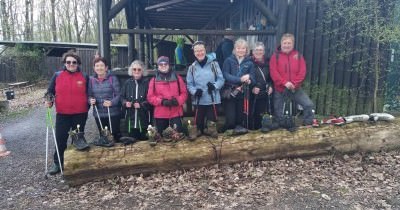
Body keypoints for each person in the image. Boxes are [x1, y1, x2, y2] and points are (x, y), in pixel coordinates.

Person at [45, 52, 89, 175]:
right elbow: (49, 92)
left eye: (74, 62)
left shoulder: (84, 76)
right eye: (68, 62)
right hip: (63, 114)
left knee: (78, 139)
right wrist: (49, 100)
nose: (71, 64)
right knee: (60, 139)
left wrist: (88, 105)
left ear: (78, 64)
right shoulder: (57, 76)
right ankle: (58, 163)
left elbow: (89, 94)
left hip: (80, 114)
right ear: (65, 63)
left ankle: (75, 162)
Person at [269, 33, 316, 127]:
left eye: (289, 43)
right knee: (279, 114)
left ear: (293, 44)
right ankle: (280, 131)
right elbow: (273, 72)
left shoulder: (298, 56)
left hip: (295, 88)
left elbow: (302, 71)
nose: (286, 45)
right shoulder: (275, 56)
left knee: (308, 105)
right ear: (281, 43)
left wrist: (294, 83)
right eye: (285, 43)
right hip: (280, 89)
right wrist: (284, 82)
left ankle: (307, 125)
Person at [186, 41, 225, 138]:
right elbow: (189, 84)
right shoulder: (192, 68)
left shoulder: (214, 64)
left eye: (201, 50)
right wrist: (195, 91)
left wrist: (214, 86)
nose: (200, 53)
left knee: (211, 124)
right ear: (194, 53)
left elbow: (221, 79)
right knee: (199, 124)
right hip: (199, 100)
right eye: (197, 51)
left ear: (205, 50)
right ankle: (199, 134)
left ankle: (210, 139)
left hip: (212, 99)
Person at [147, 56, 188, 139]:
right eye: (161, 64)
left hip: (176, 113)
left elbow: (184, 93)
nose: (163, 66)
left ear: (169, 65)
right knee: (162, 139)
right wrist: (161, 101)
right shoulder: (153, 80)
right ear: (158, 66)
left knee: (177, 136)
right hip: (160, 115)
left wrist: (178, 101)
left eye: (165, 64)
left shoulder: (177, 78)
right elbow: (150, 97)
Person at [221, 38, 255, 134]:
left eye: (243, 48)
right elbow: (225, 75)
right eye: (238, 48)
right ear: (235, 49)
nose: (241, 50)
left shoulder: (250, 63)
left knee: (240, 121)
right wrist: (239, 79)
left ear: (246, 50)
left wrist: (249, 79)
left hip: (243, 94)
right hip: (230, 93)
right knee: (231, 121)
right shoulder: (228, 60)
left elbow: (254, 80)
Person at [88, 57, 121, 144]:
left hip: (112, 113)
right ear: (94, 68)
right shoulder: (91, 80)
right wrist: (90, 100)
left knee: (114, 136)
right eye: (97, 66)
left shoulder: (112, 79)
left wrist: (112, 102)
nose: (99, 68)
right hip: (99, 114)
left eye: (102, 65)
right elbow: (89, 95)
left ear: (106, 67)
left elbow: (119, 95)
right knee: (104, 136)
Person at [121, 60, 151, 141]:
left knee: (144, 144)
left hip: (143, 120)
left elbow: (150, 100)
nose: (136, 71)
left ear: (142, 71)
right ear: (131, 70)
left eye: (139, 69)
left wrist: (141, 105)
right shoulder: (127, 83)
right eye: (134, 69)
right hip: (130, 120)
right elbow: (122, 97)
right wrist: (125, 103)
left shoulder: (147, 83)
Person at [250, 42, 274, 130]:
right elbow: (246, 77)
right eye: (256, 50)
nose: (258, 52)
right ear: (253, 52)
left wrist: (271, 86)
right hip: (253, 95)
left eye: (260, 50)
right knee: (254, 116)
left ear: (263, 52)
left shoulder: (269, 63)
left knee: (264, 116)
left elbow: (271, 78)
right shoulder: (249, 62)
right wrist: (252, 88)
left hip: (265, 93)